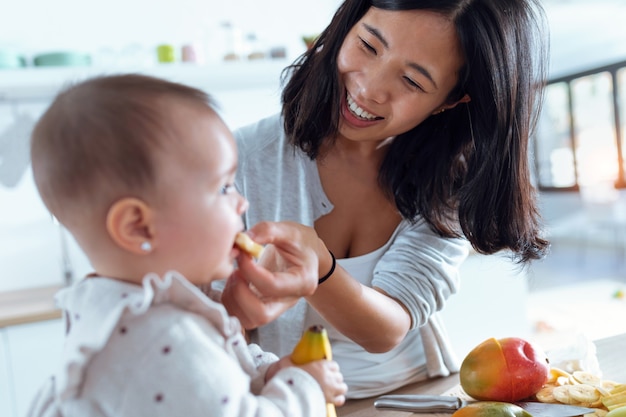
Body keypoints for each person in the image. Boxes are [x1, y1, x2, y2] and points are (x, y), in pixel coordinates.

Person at [220, 0, 550, 399]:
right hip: (289, 402)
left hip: (418, 399)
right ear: (347, 24)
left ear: (451, 100)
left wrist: (319, 268)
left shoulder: (447, 182)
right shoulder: (233, 162)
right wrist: (243, 304)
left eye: (412, 81)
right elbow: (208, 331)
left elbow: (387, 328)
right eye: (369, 46)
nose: (369, 88)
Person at [26, 74, 347, 417]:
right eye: (224, 188)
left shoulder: (129, 312)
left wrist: (267, 373)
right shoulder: (162, 338)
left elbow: (212, 373)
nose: (241, 202)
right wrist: (306, 386)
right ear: (138, 226)